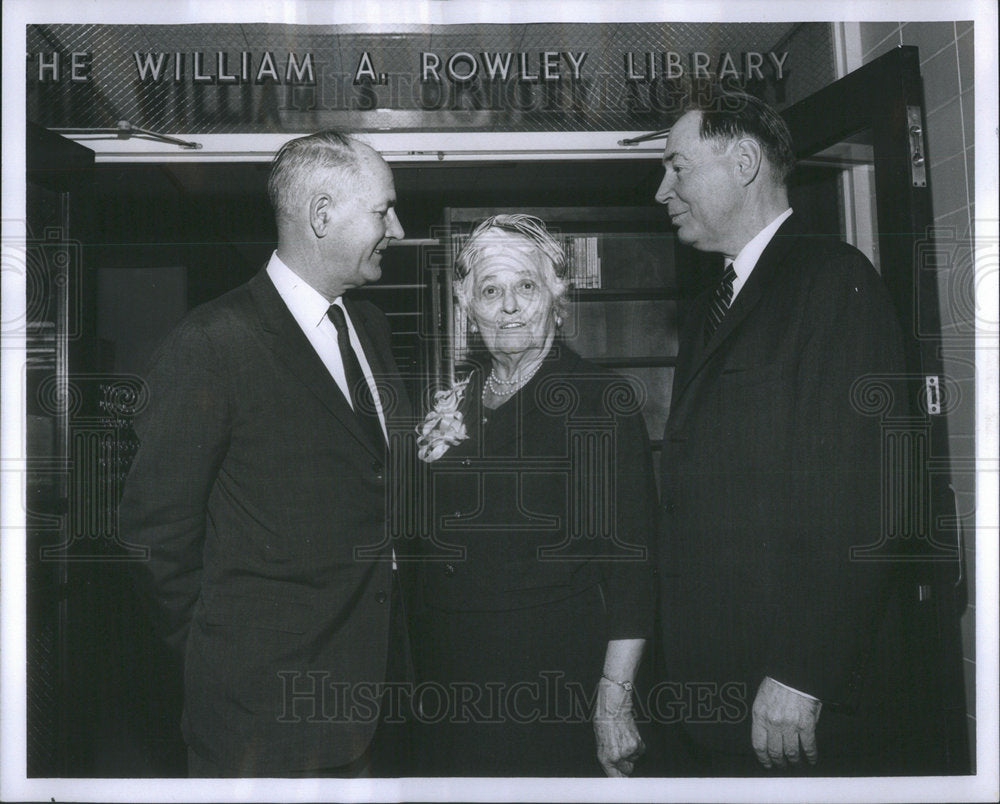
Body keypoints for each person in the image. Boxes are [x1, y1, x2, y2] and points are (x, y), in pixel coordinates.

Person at [119, 130, 412, 777]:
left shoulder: (371, 327)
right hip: (261, 723)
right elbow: (153, 533)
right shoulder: (212, 343)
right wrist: (218, 651)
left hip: (374, 709)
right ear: (322, 215)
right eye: (383, 208)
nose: (397, 225)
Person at [654, 90, 917, 775]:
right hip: (722, 692)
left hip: (792, 698)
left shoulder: (833, 282)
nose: (662, 191)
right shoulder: (716, 302)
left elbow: (869, 498)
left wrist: (803, 673)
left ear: (743, 162)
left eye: (677, 168)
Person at [409, 214, 657, 777]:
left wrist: (614, 701)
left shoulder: (600, 401)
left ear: (555, 295)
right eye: (490, 291)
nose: (510, 306)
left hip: (553, 685)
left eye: (526, 286)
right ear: (466, 306)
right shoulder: (455, 401)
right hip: (451, 691)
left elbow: (633, 566)